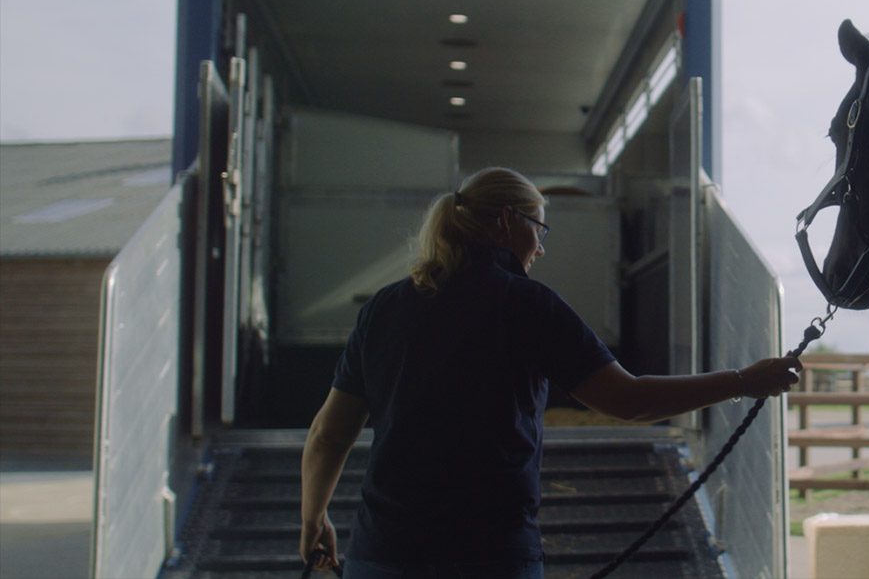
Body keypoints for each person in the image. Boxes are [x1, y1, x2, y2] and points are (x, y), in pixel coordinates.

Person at [299, 167, 801, 578]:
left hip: (382, 555)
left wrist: (313, 517)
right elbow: (628, 401)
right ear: (506, 221)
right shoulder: (526, 304)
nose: (541, 247)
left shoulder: (385, 308)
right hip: (490, 557)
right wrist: (743, 382)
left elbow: (328, 434)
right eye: (539, 229)